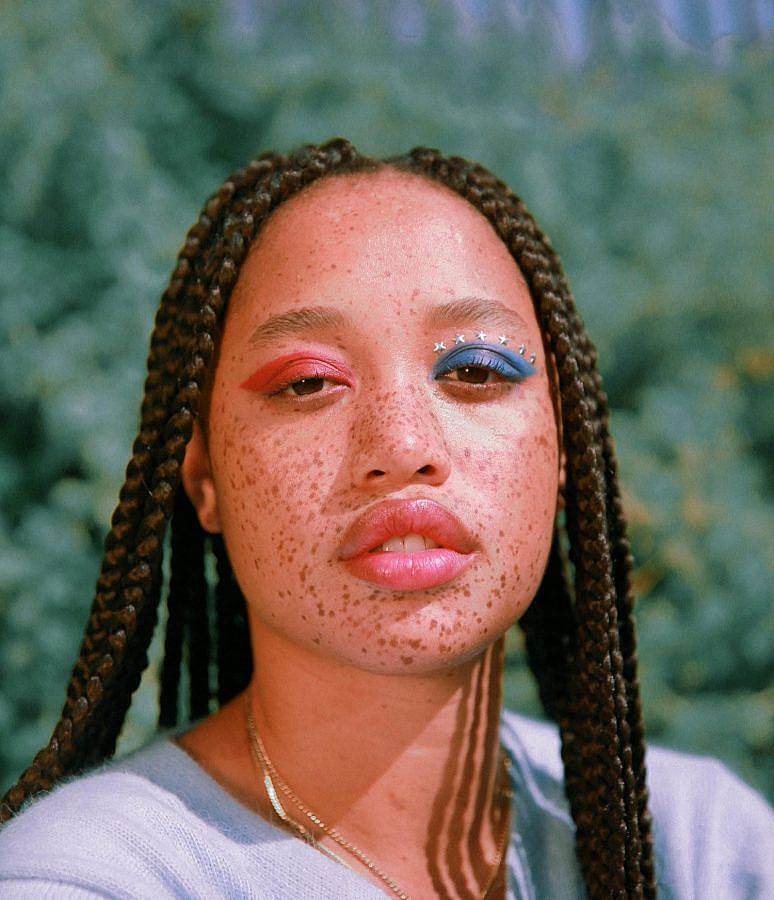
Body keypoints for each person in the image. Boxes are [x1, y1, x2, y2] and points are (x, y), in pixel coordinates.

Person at [0, 138, 771, 899]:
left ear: (564, 445)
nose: (403, 446)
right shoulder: (88, 878)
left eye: (475, 370)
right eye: (308, 382)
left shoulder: (704, 847)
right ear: (203, 477)